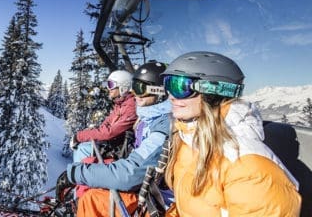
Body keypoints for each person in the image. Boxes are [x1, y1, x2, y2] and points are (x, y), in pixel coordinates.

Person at [161, 51, 301, 216]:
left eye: (179, 86)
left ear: (211, 91)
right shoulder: (187, 140)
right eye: (167, 84)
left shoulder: (248, 166)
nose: (170, 96)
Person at [57, 61, 171, 217]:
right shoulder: (146, 116)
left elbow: (130, 172)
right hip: (143, 183)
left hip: (154, 198)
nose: (134, 94)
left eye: (138, 88)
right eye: (133, 87)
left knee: (92, 199)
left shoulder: (162, 126)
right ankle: (76, 201)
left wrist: (74, 173)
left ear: (158, 92)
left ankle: (78, 202)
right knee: (90, 180)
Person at [70, 69, 137, 163]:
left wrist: (79, 136)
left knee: (83, 149)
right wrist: (91, 132)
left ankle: (79, 174)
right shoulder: (121, 104)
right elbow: (106, 124)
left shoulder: (131, 107)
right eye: (108, 84)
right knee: (82, 146)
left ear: (123, 87)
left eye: (111, 85)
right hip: (113, 144)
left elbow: (109, 132)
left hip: (118, 150)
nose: (108, 88)